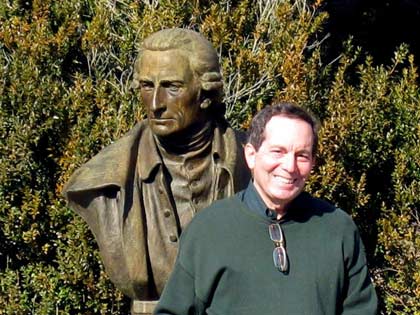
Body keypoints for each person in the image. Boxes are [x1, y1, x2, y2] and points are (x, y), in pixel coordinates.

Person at [62, 28, 250, 314]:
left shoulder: (257, 165)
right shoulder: (105, 183)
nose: (155, 104)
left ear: (206, 92)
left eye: (172, 87)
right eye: (147, 86)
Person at [154, 102, 378, 315]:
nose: (290, 167)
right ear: (251, 155)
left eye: (302, 155)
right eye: (278, 152)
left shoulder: (337, 229)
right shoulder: (209, 230)